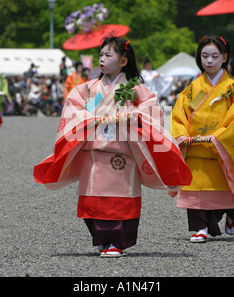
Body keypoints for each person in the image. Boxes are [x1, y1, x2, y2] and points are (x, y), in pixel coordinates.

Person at [34, 36, 192, 257]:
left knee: (119, 201)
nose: (102, 59)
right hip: (95, 154)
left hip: (122, 155)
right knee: (94, 200)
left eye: (108, 55)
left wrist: (133, 116)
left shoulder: (134, 89)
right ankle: (102, 239)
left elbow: (151, 112)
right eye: (101, 55)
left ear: (123, 61)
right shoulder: (93, 90)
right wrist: (88, 118)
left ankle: (116, 242)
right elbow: (80, 111)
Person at [170, 35, 234, 243]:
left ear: (224, 57)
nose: (209, 61)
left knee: (221, 192)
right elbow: (182, 113)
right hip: (195, 145)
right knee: (194, 189)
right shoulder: (194, 88)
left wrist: (219, 137)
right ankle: (200, 228)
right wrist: (183, 135)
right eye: (204, 56)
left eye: (215, 56)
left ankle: (233, 211)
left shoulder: (233, 87)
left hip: (218, 146)